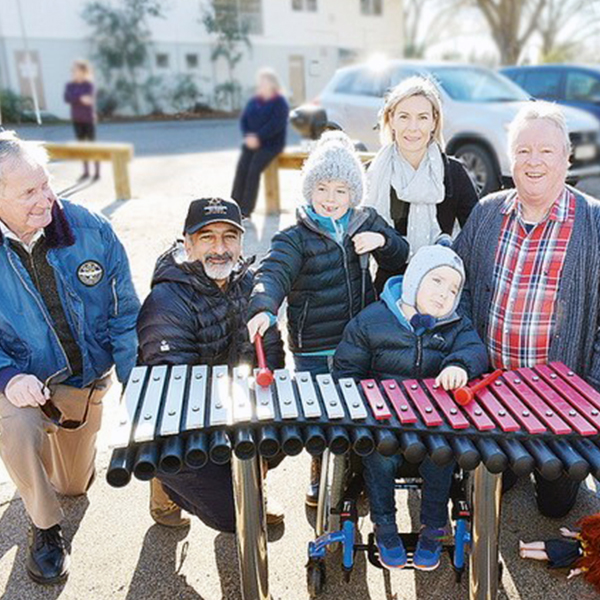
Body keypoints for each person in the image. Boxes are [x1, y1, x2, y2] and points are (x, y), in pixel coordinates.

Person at [0, 131, 139, 583]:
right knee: (14, 424)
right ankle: (44, 527)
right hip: (24, 380)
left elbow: (125, 315)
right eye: (28, 192)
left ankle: (54, 475)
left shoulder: (90, 228)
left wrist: (138, 386)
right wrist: (6, 376)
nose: (46, 200)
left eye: (45, 183)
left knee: (73, 485)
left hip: (84, 380)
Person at [247, 131, 409, 507]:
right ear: (309, 191)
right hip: (315, 345)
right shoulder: (296, 236)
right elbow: (273, 273)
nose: (330, 199)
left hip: (360, 341)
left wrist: (382, 243)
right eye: (322, 188)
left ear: (354, 193)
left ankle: (356, 469)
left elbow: (401, 254)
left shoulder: (367, 221)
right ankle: (320, 467)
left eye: (340, 190)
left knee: (360, 410)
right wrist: (263, 306)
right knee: (320, 413)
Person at [454, 101, 600, 518]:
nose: (533, 161)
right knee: (487, 490)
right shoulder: (486, 213)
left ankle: (551, 470)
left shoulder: (594, 222)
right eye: (523, 150)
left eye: (546, 151)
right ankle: (510, 458)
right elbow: (457, 290)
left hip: (560, 403)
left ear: (567, 159)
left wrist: (589, 393)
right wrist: (467, 356)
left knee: (554, 508)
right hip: (491, 391)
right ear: (509, 157)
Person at [333, 245, 488, 570]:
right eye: (436, 281)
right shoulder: (372, 320)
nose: (444, 294)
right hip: (385, 424)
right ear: (415, 279)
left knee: (443, 456)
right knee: (378, 457)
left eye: (453, 289)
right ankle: (385, 526)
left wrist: (460, 364)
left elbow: (475, 349)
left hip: (432, 427)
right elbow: (346, 372)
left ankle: (433, 526)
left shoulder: (456, 325)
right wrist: (365, 402)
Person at [137, 197, 286, 533]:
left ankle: (251, 484)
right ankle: (166, 487)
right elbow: (177, 390)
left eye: (229, 236)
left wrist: (268, 408)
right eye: (207, 237)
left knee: (285, 432)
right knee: (236, 516)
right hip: (173, 418)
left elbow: (273, 352)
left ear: (241, 241)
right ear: (187, 243)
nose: (220, 248)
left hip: (229, 400)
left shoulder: (250, 284)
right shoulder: (166, 302)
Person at [364, 76, 478, 292]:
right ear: (391, 119)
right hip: (383, 293)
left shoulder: (453, 174)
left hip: (439, 295)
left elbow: (476, 238)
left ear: (434, 121)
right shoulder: (372, 174)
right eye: (404, 117)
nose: (413, 128)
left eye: (422, 117)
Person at [231, 68, 288, 218]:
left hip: (270, 144)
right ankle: (233, 206)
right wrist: (248, 136)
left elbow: (276, 125)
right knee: (241, 169)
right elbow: (244, 120)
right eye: (260, 81)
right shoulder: (254, 101)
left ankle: (245, 210)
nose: (261, 84)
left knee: (253, 170)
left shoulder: (279, 102)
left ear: (272, 84)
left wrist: (258, 137)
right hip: (251, 142)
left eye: (264, 81)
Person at [519, 512, 600, 591]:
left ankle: (527, 553)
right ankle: (525, 546)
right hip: (570, 546)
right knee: (547, 545)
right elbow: (581, 536)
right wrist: (569, 534)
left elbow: (586, 566)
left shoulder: (592, 557)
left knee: (547, 555)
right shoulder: (589, 541)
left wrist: (575, 571)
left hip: (572, 555)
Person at [64, 59, 99, 180]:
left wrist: (76, 97)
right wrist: (80, 98)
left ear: (83, 71)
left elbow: (89, 100)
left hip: (88, 119)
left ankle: (97, 171)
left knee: (92, 146)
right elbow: (67, 99)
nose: (74, 72)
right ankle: (86, 171)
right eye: (73, 70)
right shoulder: (70, 85)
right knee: (82, 146)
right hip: (77, 119)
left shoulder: (88, 85)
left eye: (77, 70)